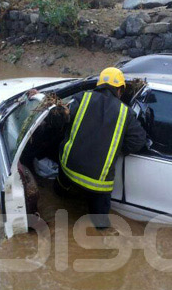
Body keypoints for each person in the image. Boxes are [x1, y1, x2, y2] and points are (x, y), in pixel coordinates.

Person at [55, 67, 147, 229]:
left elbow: (63, 120)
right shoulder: (126, 113)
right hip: (97, 182)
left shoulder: (81, 98)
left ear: (99, 85)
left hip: (68, 169)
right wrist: (119, 146)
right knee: (101, 223)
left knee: (58, 196)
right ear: (119, 91)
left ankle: (59, 194)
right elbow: (138, 141)